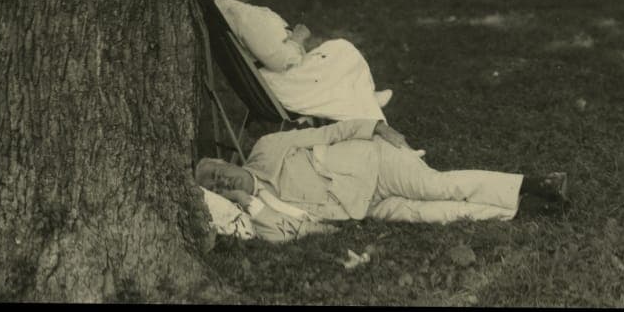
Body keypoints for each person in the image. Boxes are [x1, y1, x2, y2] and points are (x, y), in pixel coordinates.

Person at [195, 118, 568, 226]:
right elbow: (297, 230)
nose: (220, 180)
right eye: (213, 185)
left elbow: (329, 132)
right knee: (435, 214)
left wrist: (377, 128)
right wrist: (249, 202)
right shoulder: (259, 209)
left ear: (226, 161)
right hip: (363, 207)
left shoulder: (266, 147)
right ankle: (523, 209)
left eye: (215, 170)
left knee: (435, 186)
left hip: (371, 162)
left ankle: (535, 183)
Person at [208, 0, 393, 122]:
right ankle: (367, 102)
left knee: (340, 50)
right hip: (281, 84)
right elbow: (279, 60)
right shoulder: (242, 16)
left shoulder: (228, 10)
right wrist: (297, 38)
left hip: (276, 78)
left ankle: (366, 99)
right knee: (342, 50)